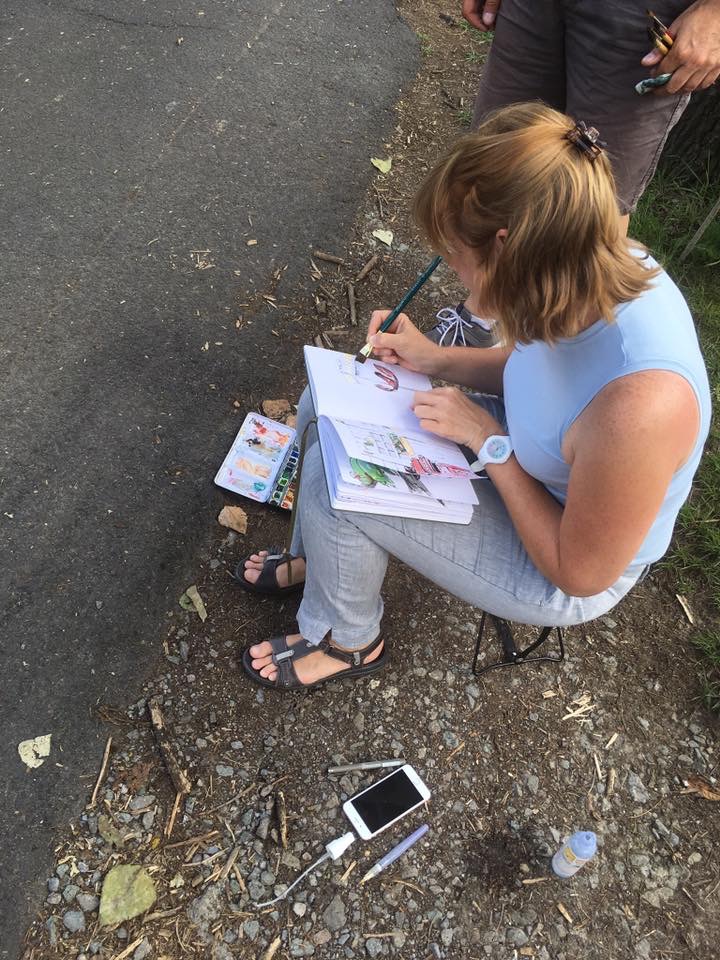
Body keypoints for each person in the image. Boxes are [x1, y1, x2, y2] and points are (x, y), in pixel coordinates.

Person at [237, 102, 710, 693]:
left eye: (456, 256)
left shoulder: (641, 408)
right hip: (528, 456)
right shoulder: (579, 266)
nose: (453, 272)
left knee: (335, 483)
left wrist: (489, 441)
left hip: (558, 553)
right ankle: (321, 560)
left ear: (507, 249)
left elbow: (579, 571)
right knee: (324, 403)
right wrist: (431, 358)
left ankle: (348, 640)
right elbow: (533, 372)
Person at [428, 0, 720, 347]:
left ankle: (559, 346)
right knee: (493, 164)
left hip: (645, 16)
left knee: (594, 193)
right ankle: (482, 323)